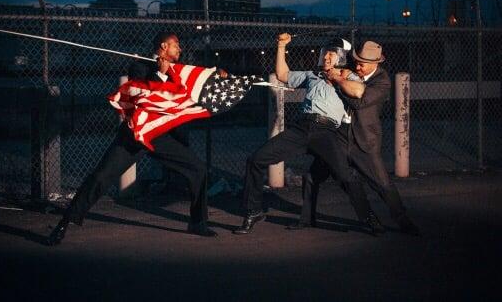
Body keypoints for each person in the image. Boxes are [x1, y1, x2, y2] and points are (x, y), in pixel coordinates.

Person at [48, 32, 218, 246]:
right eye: (176, 45)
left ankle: (197, 222)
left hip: (159, 136)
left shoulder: (178, 72)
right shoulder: (139, 68)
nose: (180, 49)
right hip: (135, 135)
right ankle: (66, 221)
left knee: (198, 169)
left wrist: (217, 77)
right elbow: (143, 93)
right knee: (101, 176)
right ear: (164, 46)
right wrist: (159, 74)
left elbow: (193, 88)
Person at [233, 33, 376, 235]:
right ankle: (253, 211)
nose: (326, 57)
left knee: (345, 176)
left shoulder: (348, 76)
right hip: (301, 128)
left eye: (331, 55)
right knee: (256, 160)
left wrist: (336, 77)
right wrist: (281, 46)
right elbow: (283, 75)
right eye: (325, 54)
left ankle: (369, 218)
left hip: (327, 132)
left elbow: (358, 91)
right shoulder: (312, 75)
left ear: (342, 56)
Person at [301, 41, 419, 236]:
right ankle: (306, 220)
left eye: (362, 64)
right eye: (356, 62)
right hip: (338, 135)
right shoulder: (350, 71)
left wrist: (339, 83)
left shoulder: (382, 81)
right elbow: (326, 72)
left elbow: (360, 102)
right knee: (312, 175)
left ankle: (404, 221)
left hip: (363, 140)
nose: (357, 67)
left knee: (382, 184)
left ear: (375, 64)